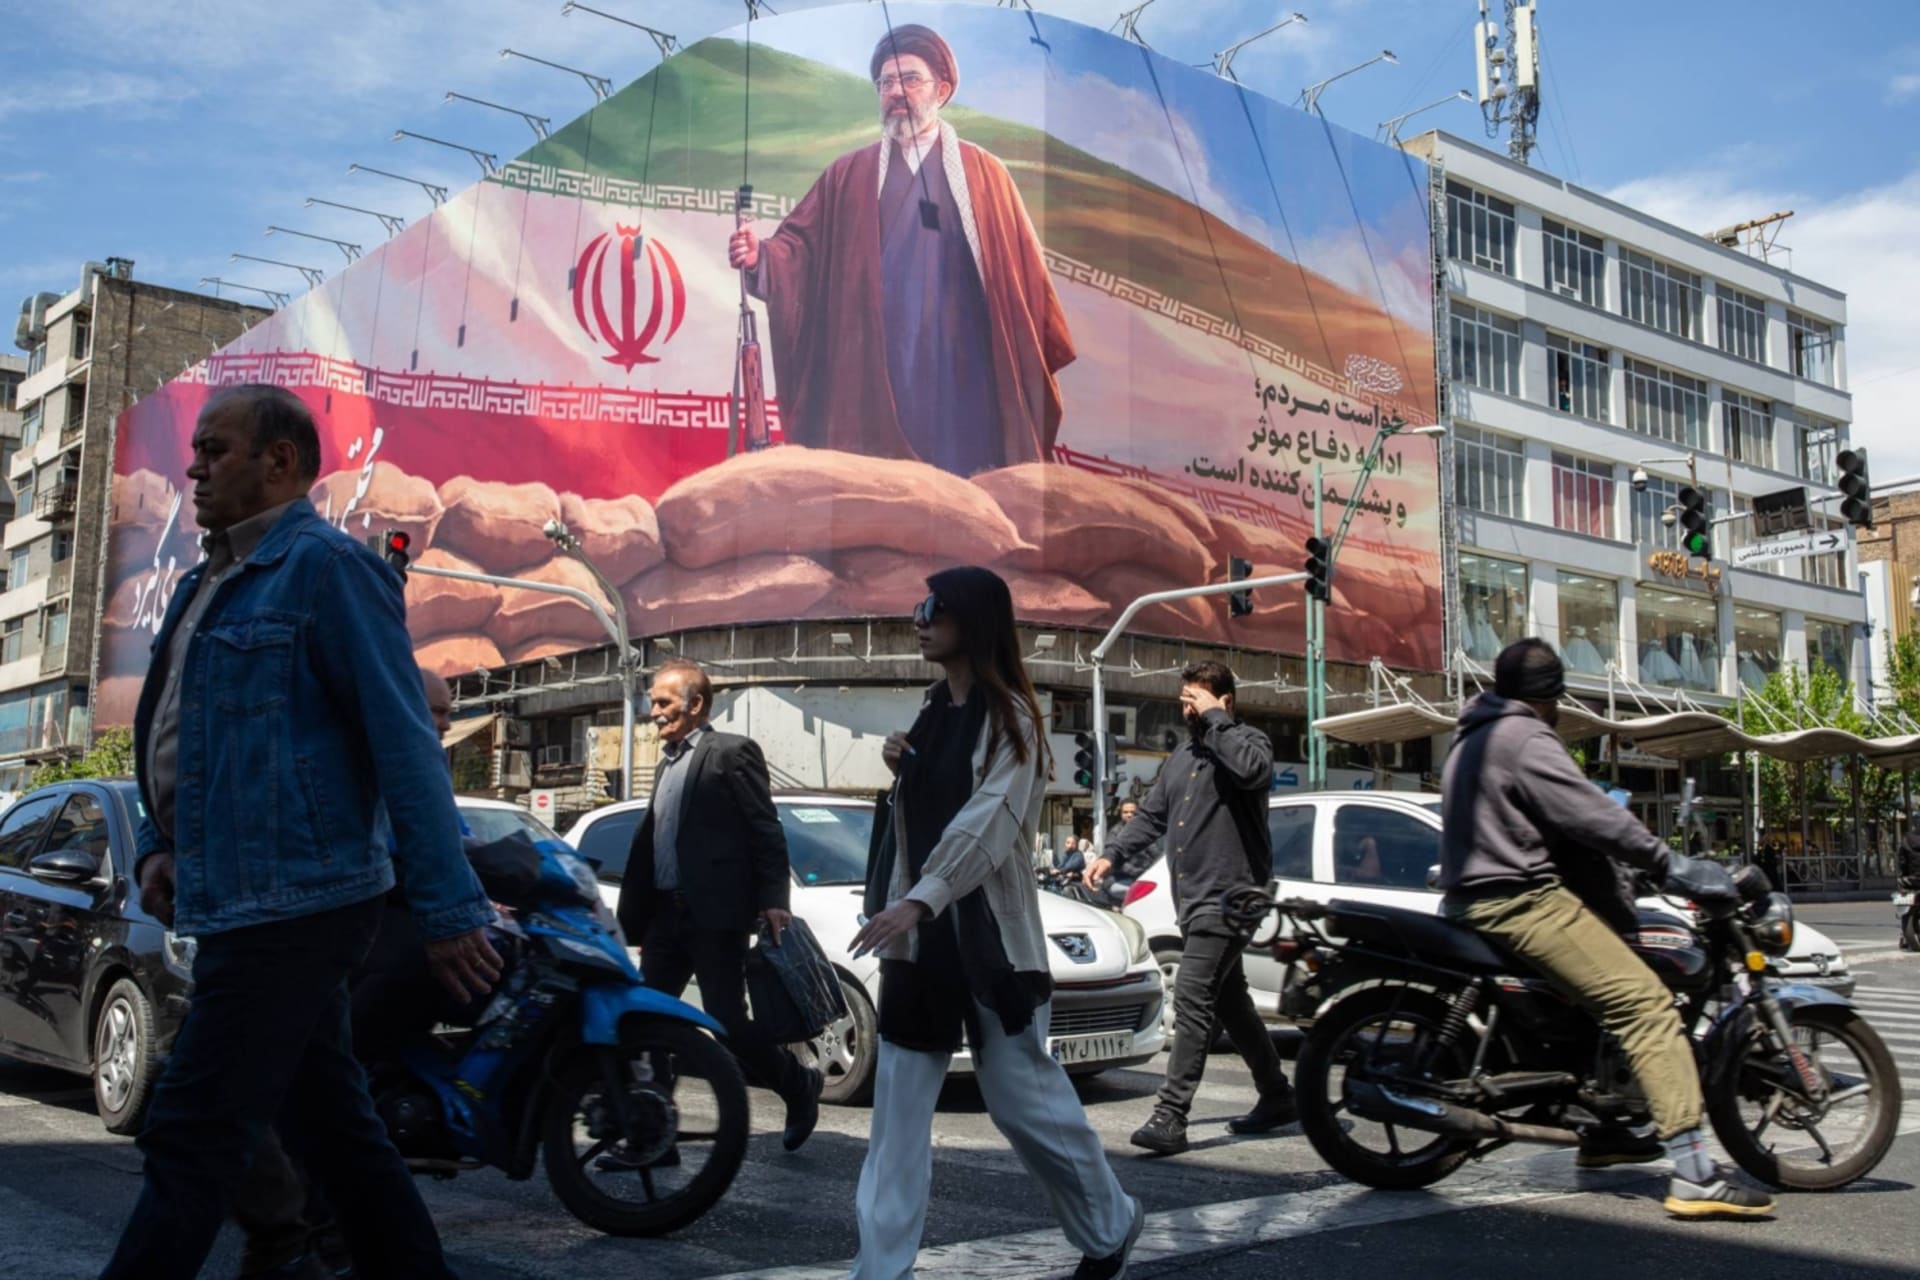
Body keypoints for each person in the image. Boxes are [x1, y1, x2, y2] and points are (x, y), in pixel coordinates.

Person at [103, 383, 499, 1280]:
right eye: (196, 452)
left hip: (299, 897)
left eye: (215, 450)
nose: (194, 468)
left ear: (279, 461)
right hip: (236, 892)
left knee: (191, 1129)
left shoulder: (329, 569)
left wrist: (448, 909)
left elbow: (405, 743)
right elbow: (176, 732)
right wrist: (162, 844)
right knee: (333, 1130)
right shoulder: (207, 579)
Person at [849, 567, 1142, 1280]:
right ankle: (880, 1271)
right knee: (896, 1114)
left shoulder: (1013, 718)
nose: (918, 620)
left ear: (973, 621)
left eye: (933, 608)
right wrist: (900, 769)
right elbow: (922, 821)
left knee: (1022, 1104)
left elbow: (989, 824)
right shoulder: (929, 714)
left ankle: (1110, 1224)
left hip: (990, 942)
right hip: (921, 944)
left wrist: (921, 899)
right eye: (918, 607)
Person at [1439, 638, 1774, 1219]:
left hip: (1478, 896)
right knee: (1645, 1005)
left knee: (1592, 1004)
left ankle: (1606, 1131)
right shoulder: (1524, 737)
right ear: (1551, 697)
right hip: (1520, 899)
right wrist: (1668, 863)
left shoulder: (1474, 733)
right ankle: (1695, 1174)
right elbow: (1590, 814)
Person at [727, 24, 1073, 475]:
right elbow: (800, 249)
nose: (895, 91)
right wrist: (762, 257)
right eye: (886, 82)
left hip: (962, 367)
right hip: (873, 366)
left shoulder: (986, 174)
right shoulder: (848, 174)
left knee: (967, 486)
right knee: (877, 488)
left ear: (941, 90)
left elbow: (1023, 280)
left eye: (910, 79)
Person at [1086, 661, 1294, 1157]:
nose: (1187, 709)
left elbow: (1253, 772)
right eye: (1183, 700)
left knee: (1194, 997)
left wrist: (1216, 719)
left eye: (1195, 700)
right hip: (1195, 897)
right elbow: (1152, 816)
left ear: (1225, 701)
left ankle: (1171, 1115)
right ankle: (1277, 1094)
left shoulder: (1248, 742)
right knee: (1230, 1000)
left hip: (1232, 896)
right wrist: (1111, 854)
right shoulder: (1183, 756)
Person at [615, 659, 823, 1152]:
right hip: (666, 916)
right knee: (646, 1021)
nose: (653, 711)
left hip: (714, 914)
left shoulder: (730, 753)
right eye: (652, 702)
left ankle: (797, 1082)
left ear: (696, 705)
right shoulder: (666, 764)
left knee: (726, 1020)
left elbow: (765, 827)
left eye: (663, 702)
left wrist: (774, 900)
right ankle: (654, 1137)